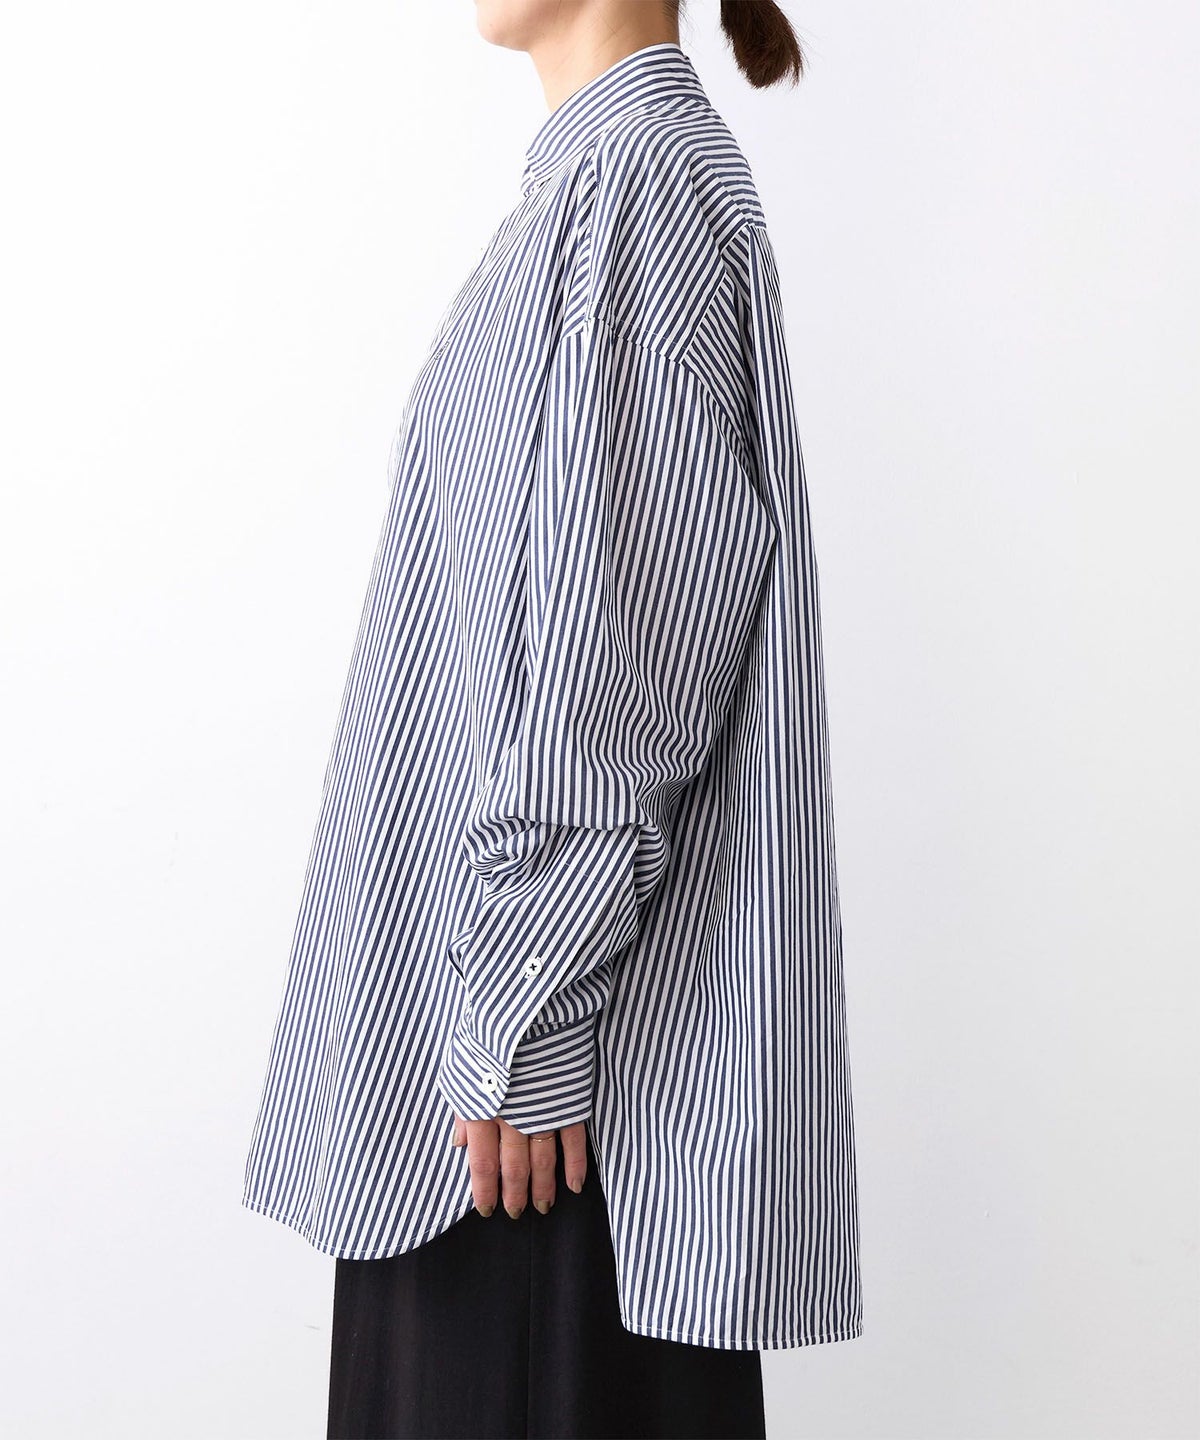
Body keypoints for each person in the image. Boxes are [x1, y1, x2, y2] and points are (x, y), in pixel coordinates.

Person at [241, 3, 863, 1436]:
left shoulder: (640, 187)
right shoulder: (589, 187)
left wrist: (525, 1016)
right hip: (488, 1091)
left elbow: (616, 654)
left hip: (538, 1124)